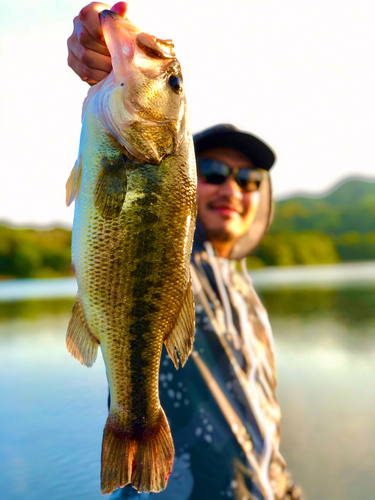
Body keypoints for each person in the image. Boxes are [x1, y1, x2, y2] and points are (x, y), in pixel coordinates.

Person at [68, 4, 302, 499]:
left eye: (250, 179)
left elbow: (264, 418)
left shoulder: (241, 287)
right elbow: (152, 222)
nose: (233, 189)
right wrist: (106, 61)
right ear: (191, 177)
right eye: (215, 173)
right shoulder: (185, 254)